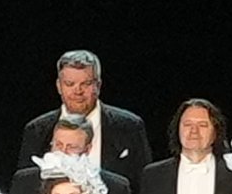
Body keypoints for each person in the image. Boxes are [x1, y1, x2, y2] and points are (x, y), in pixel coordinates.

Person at [21, 47, 152, 180]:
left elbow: (146, 183)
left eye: (86, 84)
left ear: (98, 86)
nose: (78, 91)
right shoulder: (37, 131)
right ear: (59, 86)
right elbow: (24, 184)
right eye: (69, 84)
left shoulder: (129, 127)